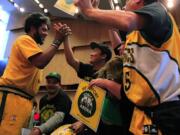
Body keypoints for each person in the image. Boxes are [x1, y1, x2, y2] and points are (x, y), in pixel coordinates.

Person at [75, 0, 180, 134]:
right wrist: (102, 15)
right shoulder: (137, 34)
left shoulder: (158, 11)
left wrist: (91, 12)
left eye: (127, 1)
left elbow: (128, 20)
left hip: (164, 113)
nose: (123, 6)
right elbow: (119, 48)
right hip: (142, 114)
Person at [0, 13, 71, 135]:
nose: (46, 33)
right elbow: (41, 62)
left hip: (22, 99)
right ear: (32, 28)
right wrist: (58, 40)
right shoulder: (25, 39)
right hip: (13, 97)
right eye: (43, 29)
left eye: (47, 30)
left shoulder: (34, 49)